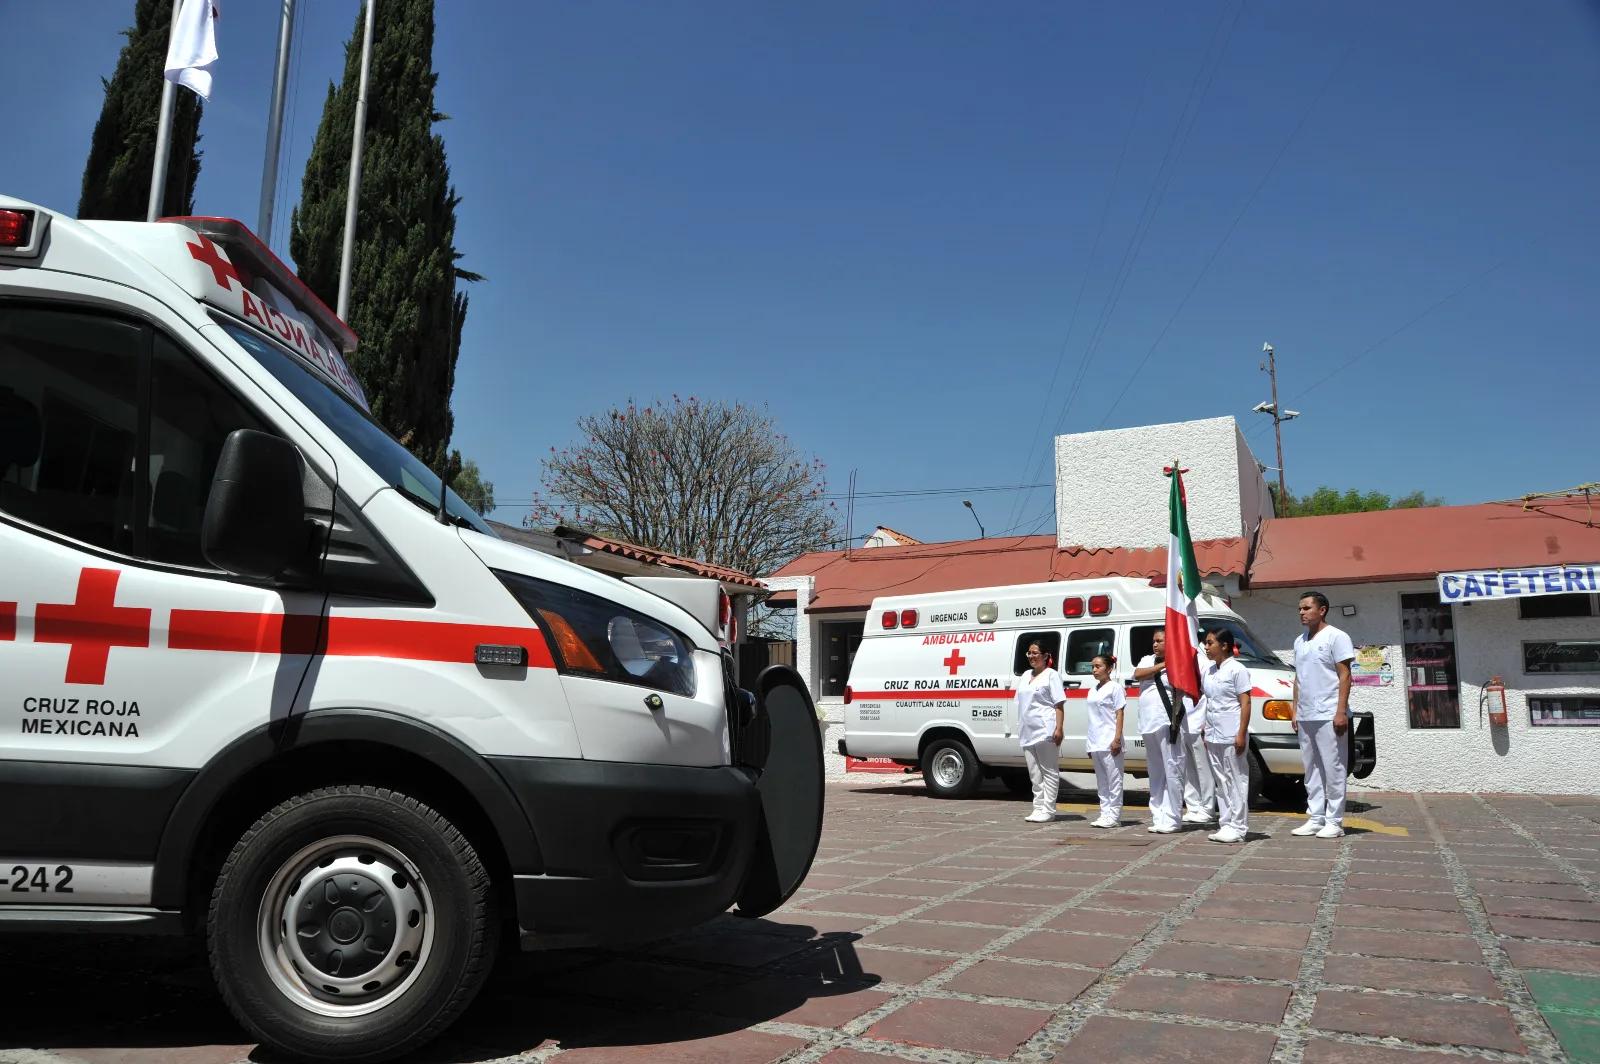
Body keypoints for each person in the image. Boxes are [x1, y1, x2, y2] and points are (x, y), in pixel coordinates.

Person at [1290, 590, 1356, 839]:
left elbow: (1345, 675)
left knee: (1334, 768)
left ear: (1322, 609)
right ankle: (1316, 817)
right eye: (1300, 609)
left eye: (1306, 608)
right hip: (1306, 715)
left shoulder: (1337, 637)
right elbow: (1298, 679)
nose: (1302, 613)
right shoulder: (1300, 641)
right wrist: (1295, 710)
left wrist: (1340, 711)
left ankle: (1335, 821)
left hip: (1330, 714)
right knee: (1311, 769)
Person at [1201, 627, 1252, 843]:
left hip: (1232, 732)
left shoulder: (1237, 670)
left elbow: (1245, 702)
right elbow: (1210, 701)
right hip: (1213, 732)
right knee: (1221, 780)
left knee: (1236, 778)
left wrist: (1241, 733)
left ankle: (1238, 826)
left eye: (1210, 642)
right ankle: (1226, 822)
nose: (1206, 647)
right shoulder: (1210, 671)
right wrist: (1205, 725)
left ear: (1224, 645)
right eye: (1206, 642)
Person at [1133, 630, 1187, 833]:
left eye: (1159, 641)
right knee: (1155, 772)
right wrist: (1164, 665)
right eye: (1153, 641)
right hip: (1147, 723)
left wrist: (1173, 664)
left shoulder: (1178, 661)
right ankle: (1158, 815)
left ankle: (1173, 817)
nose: (1155, 644)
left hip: (1167, 720)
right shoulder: (1148, 659)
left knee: (1172, 769)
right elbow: (1138, 674)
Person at [1015, 641, 1067, 824]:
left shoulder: (1052, 675)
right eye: (1029, 653)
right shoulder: (1025, 675)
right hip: (1027, 730)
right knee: (1034, 773)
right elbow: (1020, 703)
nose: (1031, 656)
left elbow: (1058, 704)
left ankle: (1049, 809)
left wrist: (1059, 728)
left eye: (1035, 653)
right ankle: (1038, 808)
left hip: (1046, 730)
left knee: (1049, 771)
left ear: (1045, 656)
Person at [1085, 652, 1126, 828]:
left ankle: (1114, 815)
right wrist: (1089, 743)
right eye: (1093, 667)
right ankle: (1105, 813)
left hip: (1110, 740)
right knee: (1102, 781)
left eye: (1098, 666)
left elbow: (1120, 713)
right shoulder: (1092, 690)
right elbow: (1092, 718)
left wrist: (1117, 739)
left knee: (1114, 780)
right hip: (1095, 740)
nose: (1094, 670)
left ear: (1109, 668)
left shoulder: (1115, 688)